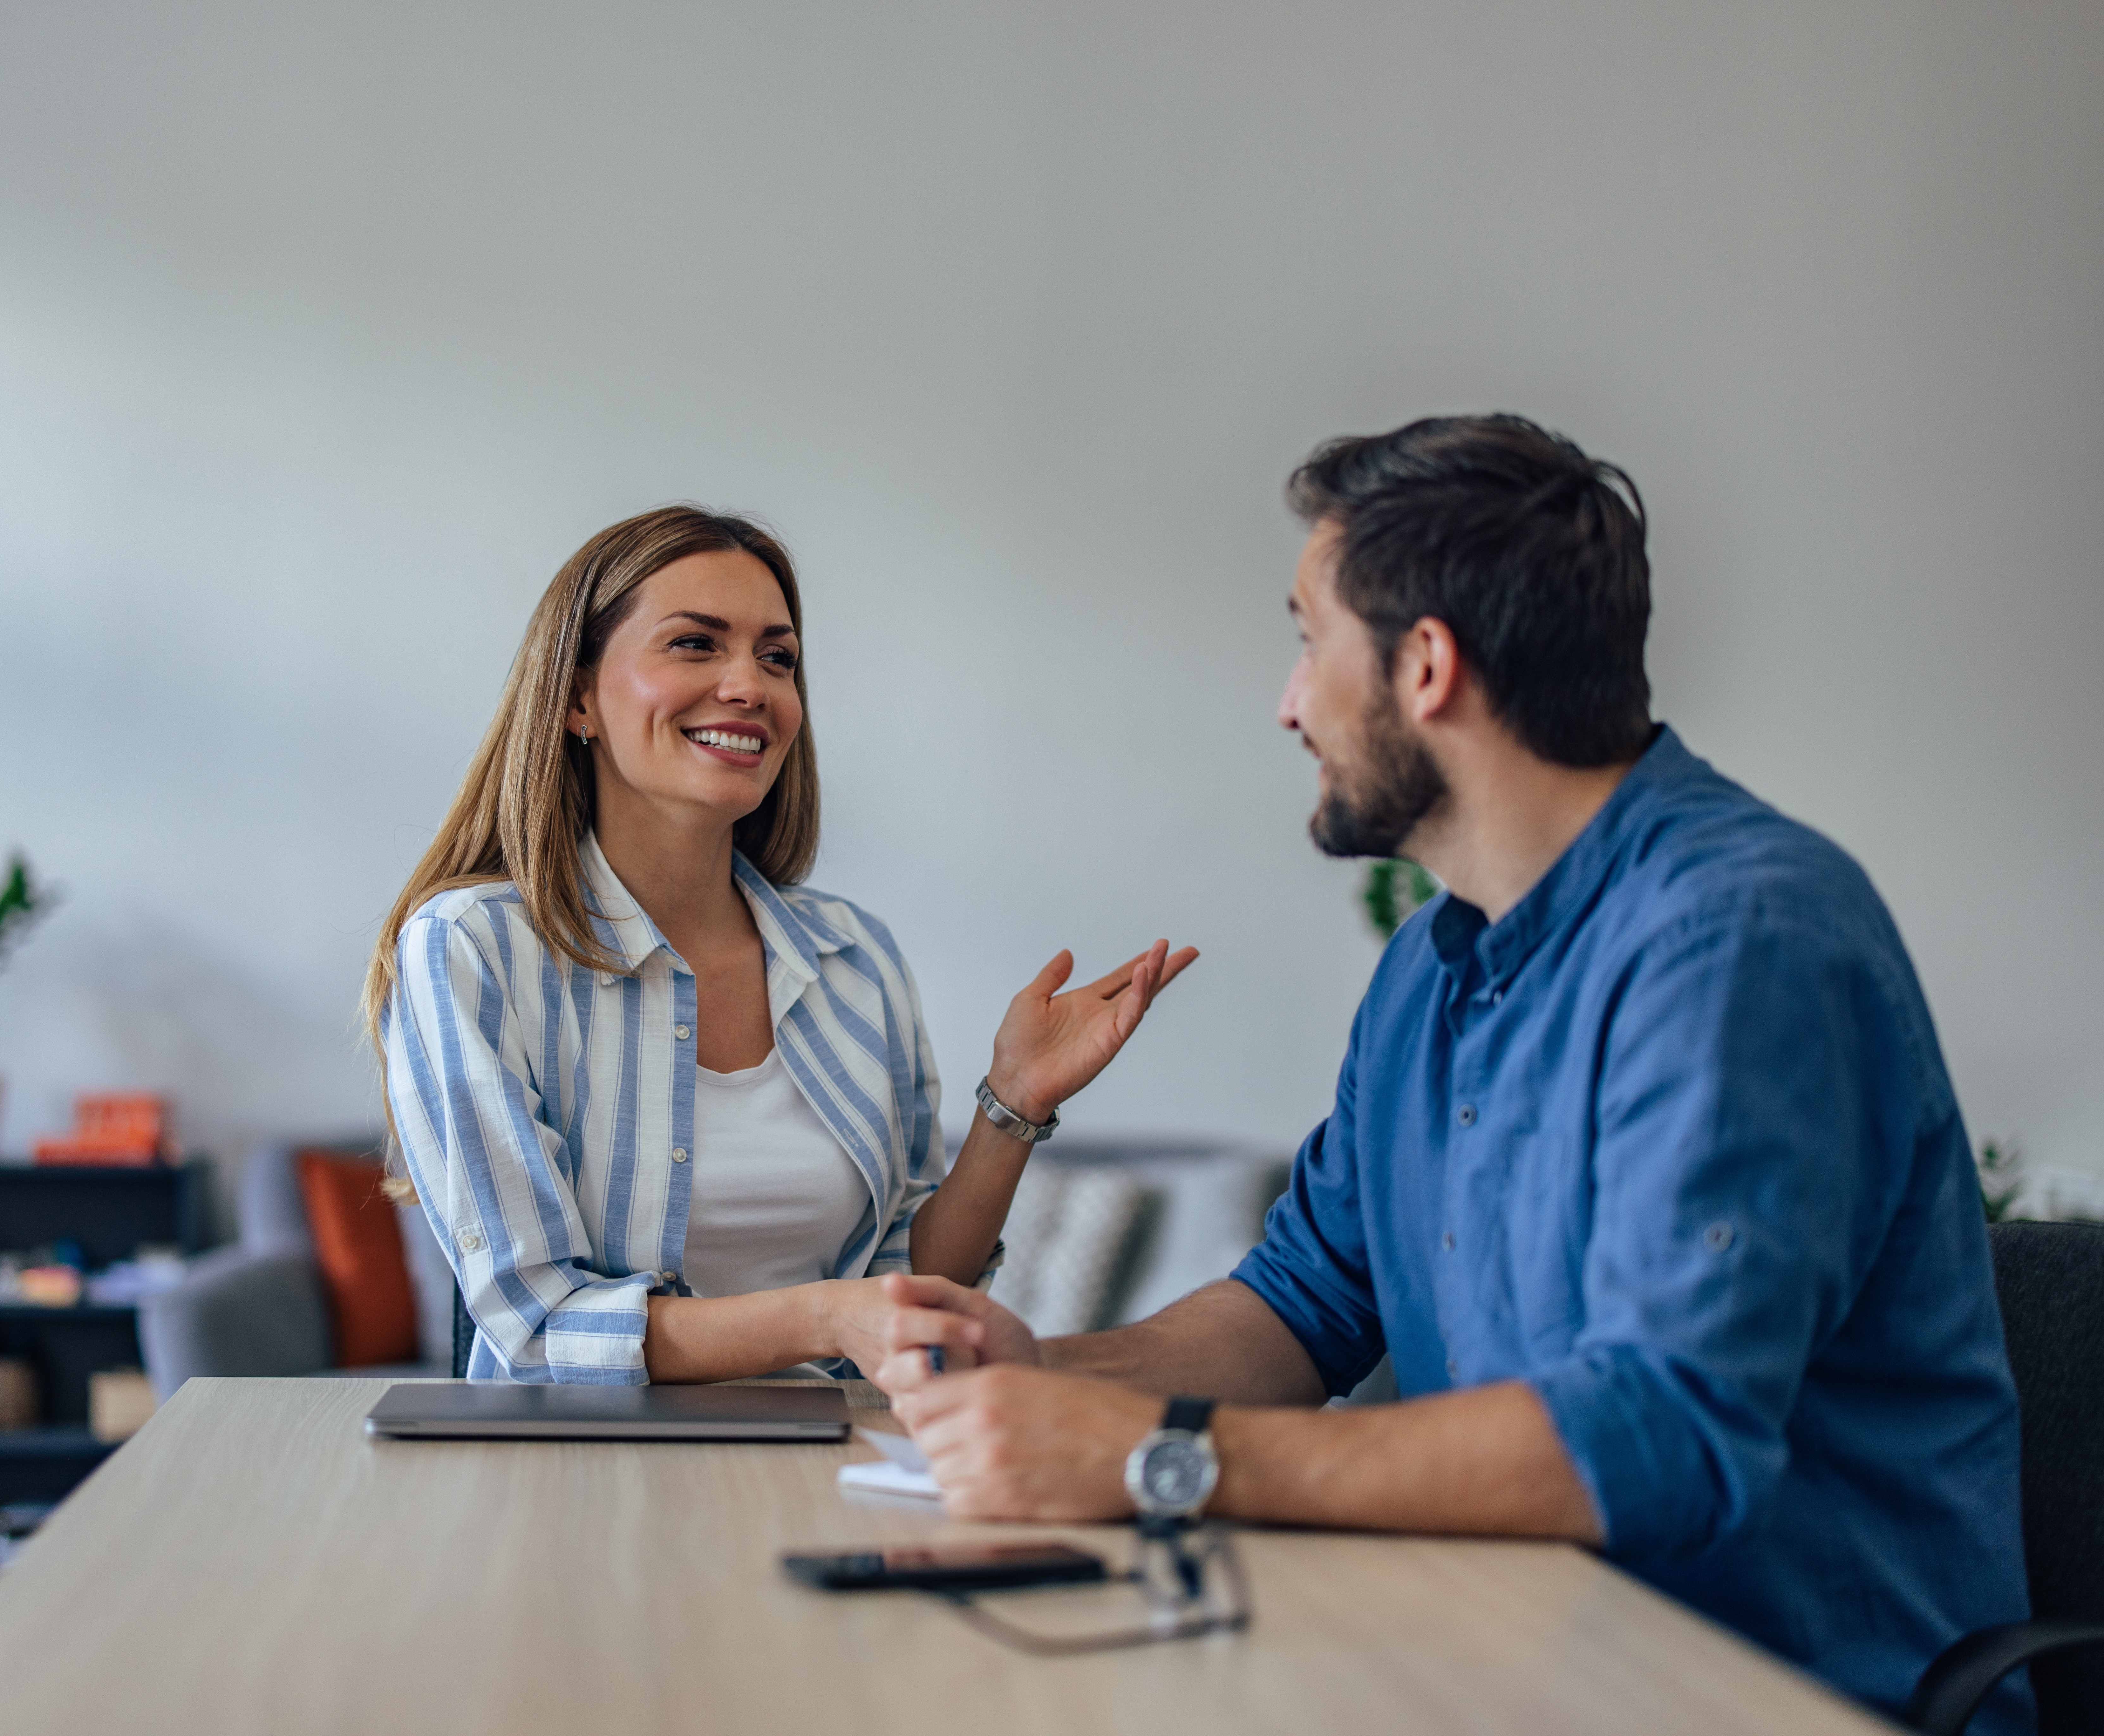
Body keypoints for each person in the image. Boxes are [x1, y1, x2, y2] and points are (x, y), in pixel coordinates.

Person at [865, 415, 2032, 1731]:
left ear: (1424, 666)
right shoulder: (1428, 960)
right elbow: (1303, 1306)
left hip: (1765, 1698)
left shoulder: (1739, 938)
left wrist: (1153, 1454)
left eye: (1308, 638)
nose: (1287, 700)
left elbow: (1658, 1440)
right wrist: (1049, 1380)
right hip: (1500, 1667)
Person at [367, 505, 1196, 1383]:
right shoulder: (471, 950)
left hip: (838, 1472)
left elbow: (908, 1286)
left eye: (778, 657)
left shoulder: (854, 958)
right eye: (695, 644)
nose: (750, 686)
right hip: (579, 1491)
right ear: (578, 698)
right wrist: (826, 1318)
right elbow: (538, 1332)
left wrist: (1014, 1106)